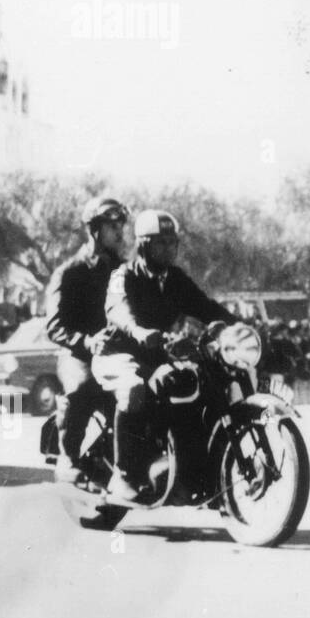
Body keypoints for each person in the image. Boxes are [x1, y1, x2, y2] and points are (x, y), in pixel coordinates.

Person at [92, 209, 236, 502]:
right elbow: (118, 309)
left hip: (156, 355)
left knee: (200, 382)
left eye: (173, 243)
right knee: (133, 388)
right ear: (143, 245)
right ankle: (124, 475)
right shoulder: (123, 275)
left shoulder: (175, 279)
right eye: (161, 243)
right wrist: (137, 330)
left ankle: (190, 472)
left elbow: (205, 307)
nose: (169, 249)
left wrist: (242, 327)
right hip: (118, 353)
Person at [44, 196, 130, 483]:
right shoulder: (69, 272)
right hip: (78, 356)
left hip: (117, 354)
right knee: (82, 389)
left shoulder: (124, 271)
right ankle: (68, 457)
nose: (119, 231)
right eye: (112, 225)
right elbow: (54, 326)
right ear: (94, 229)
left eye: (121, 225)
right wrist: (88, 342)